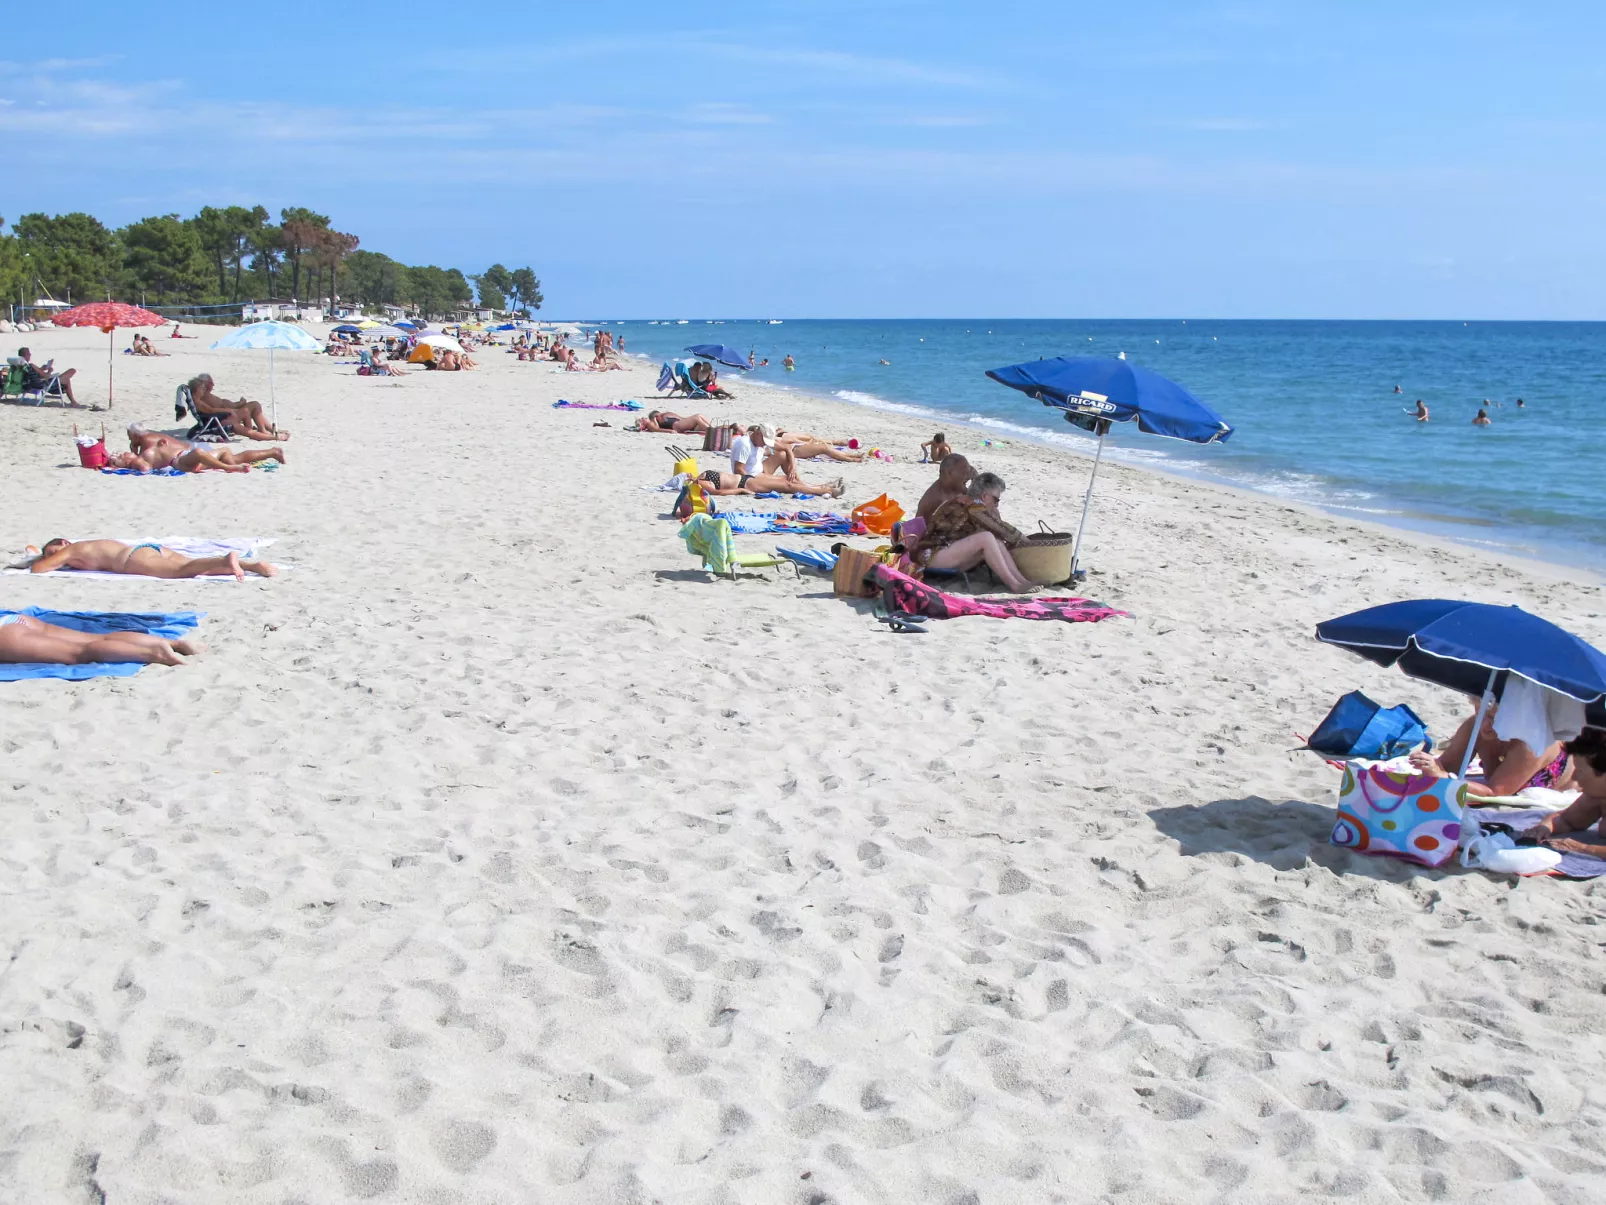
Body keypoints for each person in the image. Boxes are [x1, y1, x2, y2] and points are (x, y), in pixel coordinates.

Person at [910, 471, 1039, 594]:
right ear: (984, 496)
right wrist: (1030, 543)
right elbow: (1002, 529)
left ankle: (1022, 581)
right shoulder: (974, 507)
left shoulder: (967, 502)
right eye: (996, 500)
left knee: (997, 542)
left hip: (945, 552)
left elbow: (999, 530)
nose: (996, 505)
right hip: (932, 555)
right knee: (986, 537)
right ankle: (1014, 585)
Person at [1407, 700, 1568, 797]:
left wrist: (1443, 776)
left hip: (1569, 789)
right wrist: (1430, 767)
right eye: (1480, 712)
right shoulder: (1475, 725)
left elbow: (1495, 791)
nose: (1484, 725)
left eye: (1493, 718)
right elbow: (1446, 767)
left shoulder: (1531, 743)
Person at [1519, 728, 1606, 858]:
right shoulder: (1597, 796)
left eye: (1580, 771)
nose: (1574, 777)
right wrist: (1544, 827)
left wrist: (1586, 848)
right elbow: (1566, 820)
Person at [0, 611, 200, 667]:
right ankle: (175, 644)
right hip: (13, 620)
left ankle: (154, 653)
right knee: (93, 638)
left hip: (6, 636)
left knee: (79, 653)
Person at [29, 538, 277, 581]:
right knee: (193, 567)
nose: (57, 559)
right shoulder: (86, 547)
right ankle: (253, 566)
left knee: (182, 570)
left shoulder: (71, 550)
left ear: (64, 543)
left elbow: (38, 569)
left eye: (54, 551)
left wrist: (38, 559)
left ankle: (228, 557)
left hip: (132, 559)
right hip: (148, 549)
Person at [188, 373, 288, 440]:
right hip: (219, 421)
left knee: (250, 413)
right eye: (202, 388)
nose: (204, 389)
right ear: (197, 389)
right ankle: (273, 436)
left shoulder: (199, 398)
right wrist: (230, 410)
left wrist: (233, 407)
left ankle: (271, 432)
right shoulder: (200, 400)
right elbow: (210, 409)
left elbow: (214, 408)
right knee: (249, 415)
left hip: (219, 419)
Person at [695, 468, 843, 498]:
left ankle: (824, 485)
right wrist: (740, 491)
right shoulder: (701, 483)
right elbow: (718, 493)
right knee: (788, 487)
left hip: (746, 478)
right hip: (744, 485)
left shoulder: (703, 474)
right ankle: (828, 491)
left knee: (787, 479)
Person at [14, 347, 80, 406]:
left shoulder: (20, 366)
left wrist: (41, 369)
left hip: (31, 384)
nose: (30, 355)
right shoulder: (31, 365)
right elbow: (46, 376)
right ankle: (73, 402)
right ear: (25, 355)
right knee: (70, 374)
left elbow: (32, 375)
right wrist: (49, 371)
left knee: (67, 375)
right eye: (29, 353)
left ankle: (72, 401)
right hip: (43, 384)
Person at [916, 452, 972, 519]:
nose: (968, 476)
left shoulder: (957, 485)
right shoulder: (932, 499)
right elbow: (918, 526)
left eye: (968, 472)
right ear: (950, 473)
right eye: (964, 473)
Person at [640, 410, 711, 434]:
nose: (644, 418)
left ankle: (711, 428)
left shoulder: (656, 420)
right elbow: (656, 429)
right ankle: (710, 430)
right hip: (678, 425)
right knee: (696, 417)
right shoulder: (653, 422)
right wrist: (670, 431)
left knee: (698, 415)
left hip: (680, 422)